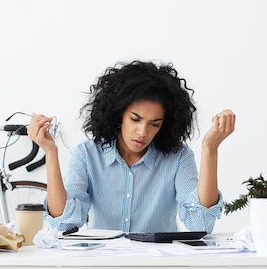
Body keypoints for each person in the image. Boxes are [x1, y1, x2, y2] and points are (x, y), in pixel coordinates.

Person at [27, 60, 235, 233]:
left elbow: (200, 224)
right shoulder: (87, 155)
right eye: (135, 119)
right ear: (119, 114)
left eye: (155, 124)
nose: (143, 132)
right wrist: (51, 153)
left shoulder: (178, 157)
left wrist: (210, 149)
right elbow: (65, 223)